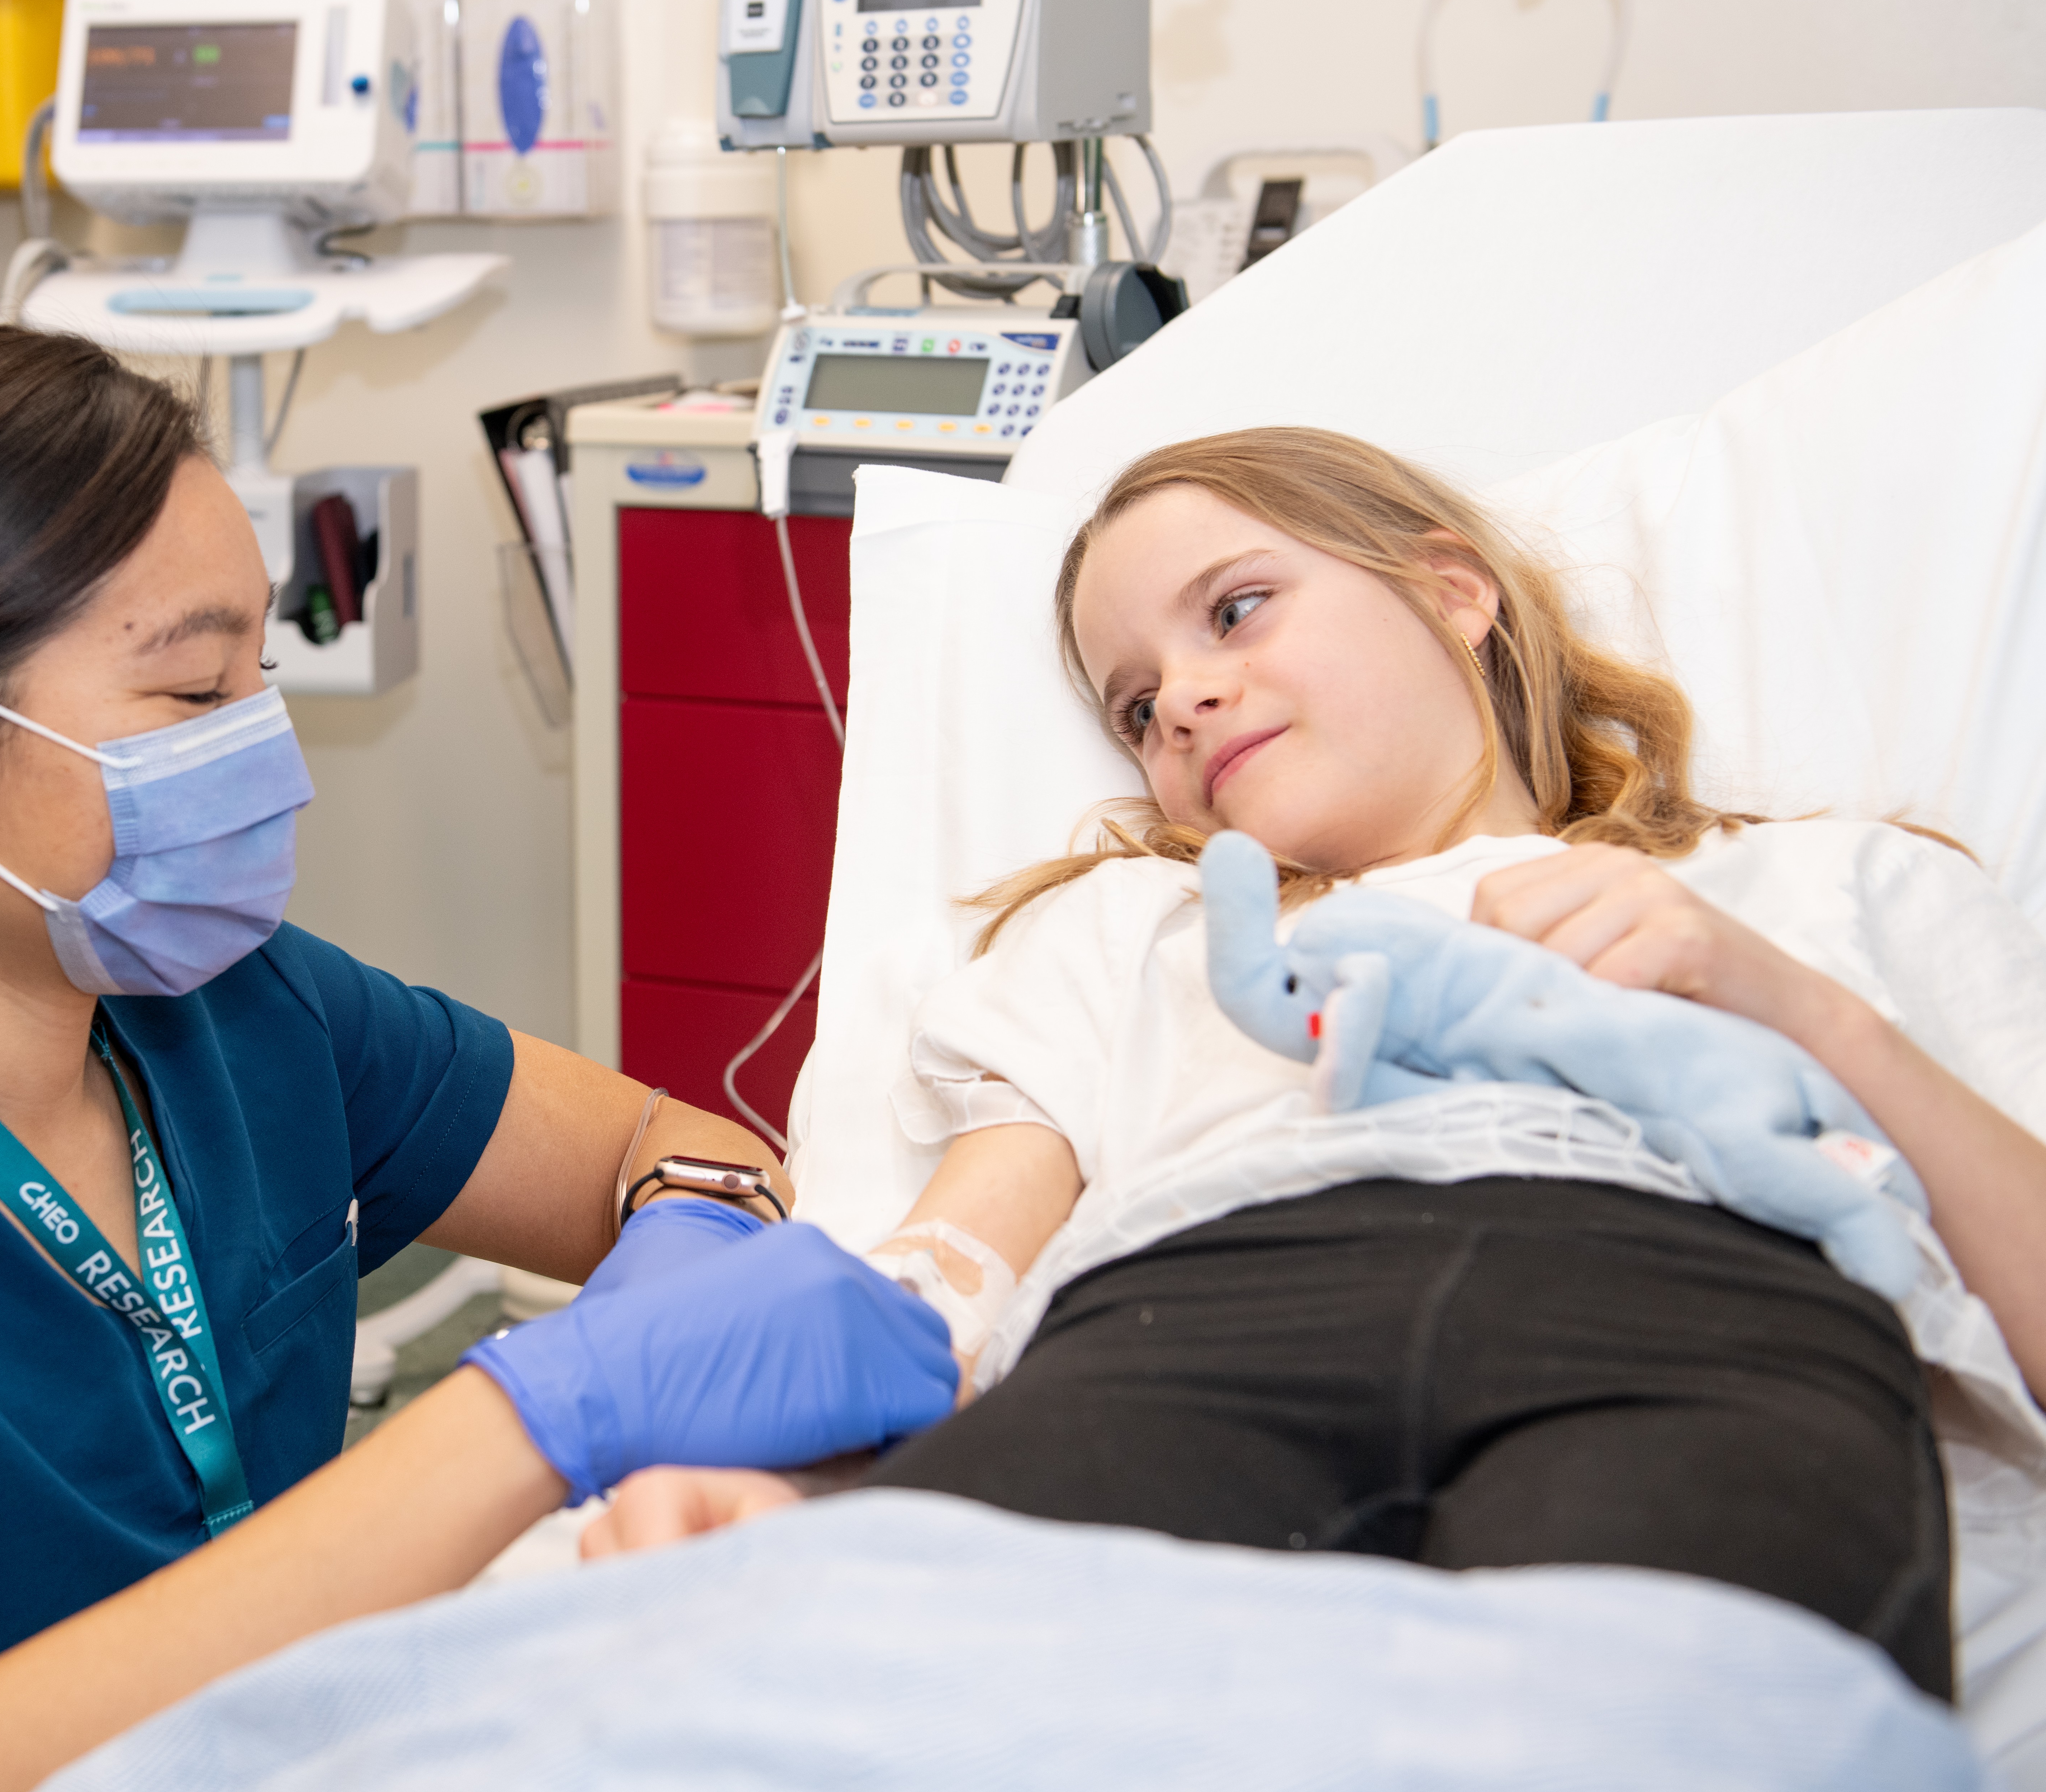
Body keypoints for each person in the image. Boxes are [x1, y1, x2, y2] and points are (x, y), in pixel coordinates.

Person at [0, 328, 957, 1792]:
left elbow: (655, 1141)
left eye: (266, 671)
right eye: (194, 696)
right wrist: (528, 1413)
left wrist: (694, 1228)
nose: (268, 750)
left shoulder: (240, 1014)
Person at [586, 427, 2046, 1701]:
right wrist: (810, 1483)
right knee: (893, 1697)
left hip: (1700, 1295)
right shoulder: (1134, 929)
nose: (1186, 702)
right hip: (1205, 1309)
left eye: (1237, 610)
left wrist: (1793, 1003)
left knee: (1650, 1723)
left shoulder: (1826, 887)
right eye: (1136, 705)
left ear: (1452, 588)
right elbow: (949, 1262)